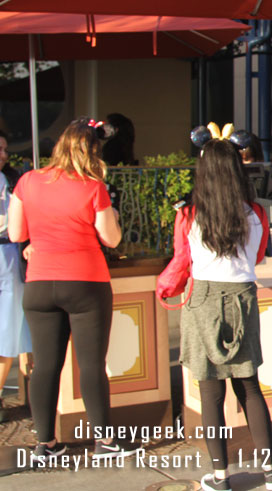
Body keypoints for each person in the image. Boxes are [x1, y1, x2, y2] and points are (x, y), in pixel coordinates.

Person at [7, 118, 138, 461]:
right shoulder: (92, 188)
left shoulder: (27, 181)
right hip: (85, 282)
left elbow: (17, 233)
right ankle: (104, 441)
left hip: (39, 283)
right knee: (92, 364)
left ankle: (45, 444)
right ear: (93, 152)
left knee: (46, 366)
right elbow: (111, 238)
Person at [168, 139, 272, 491]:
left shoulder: (187, 214)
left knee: (210, 393)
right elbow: (262, 255)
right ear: (238, 169)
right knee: (249, 387)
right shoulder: (256, 212)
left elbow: (180, 260)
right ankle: (270, 471)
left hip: (202, 298)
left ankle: (220, 478)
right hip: (243, 299)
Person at [0, 129, 30, 422]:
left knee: (8, 332)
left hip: (8, 255)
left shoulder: (13, 180)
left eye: (5, 149)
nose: (4, 155)